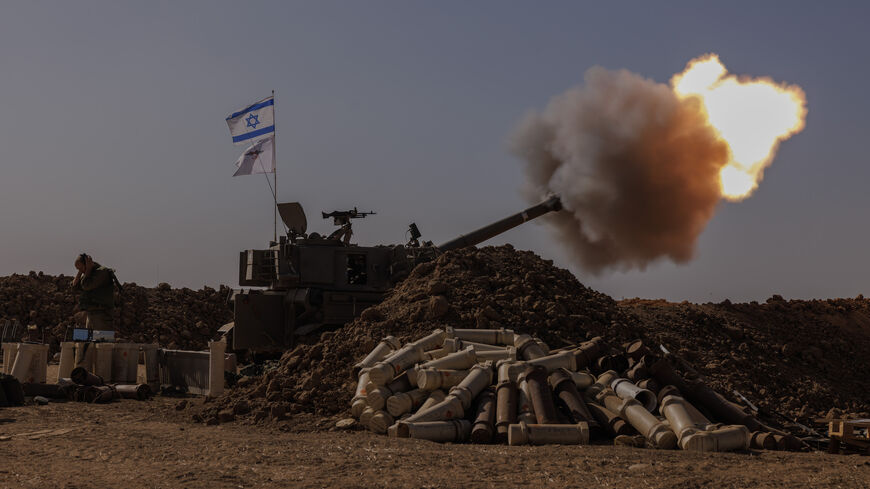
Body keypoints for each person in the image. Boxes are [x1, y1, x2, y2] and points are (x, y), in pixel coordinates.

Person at [71, 254, 118, 332]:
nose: (81, 271)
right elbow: (74, 286)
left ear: (88, 264)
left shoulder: (101, 272)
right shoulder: (88, 274)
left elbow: (86, 286)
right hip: (91, 314)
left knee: (102, 340)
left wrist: (88, 269)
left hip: (102, 315)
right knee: (88, 342)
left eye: (81, 268)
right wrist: (80, 271)